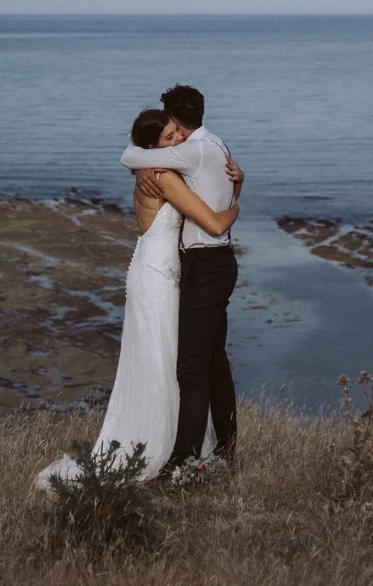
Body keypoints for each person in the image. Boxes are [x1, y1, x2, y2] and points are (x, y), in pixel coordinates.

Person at [34, 105, 243, 489]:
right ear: (153, 148)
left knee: (164, 360)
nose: (178, 139)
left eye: (177, 133)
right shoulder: (163, 176)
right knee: (165, 361)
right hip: (157, 277)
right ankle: (165, 452)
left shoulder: (160, 171)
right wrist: (234, 209)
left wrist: (237, 180)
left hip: (158, 272)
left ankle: (172, 447)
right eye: (169, 137)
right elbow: (212, 221)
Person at [135, 83, 243, 479]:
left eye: (172, 127)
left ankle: (184, 461)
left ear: (177, 121)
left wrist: (143, 161)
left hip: (206, 264)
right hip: (215, 263)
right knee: (214, 363)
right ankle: (227, 453)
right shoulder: (217, 143)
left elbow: (131, 151)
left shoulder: (190, 151)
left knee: (192, 367)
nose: (173, 135)